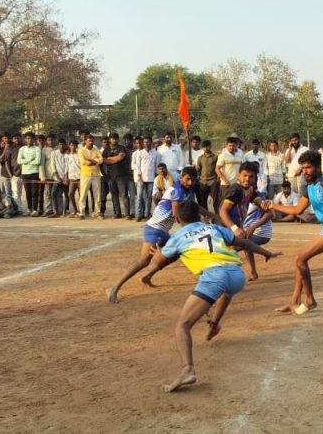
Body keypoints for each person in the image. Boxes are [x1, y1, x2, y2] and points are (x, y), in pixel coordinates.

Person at [137, 200, 281, 392]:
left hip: (214, 276)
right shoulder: (212, 228)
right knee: (226, 291)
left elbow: (159, 262)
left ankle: (187, 369)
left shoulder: (178, 236)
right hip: (237, 274)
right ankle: (214, 324)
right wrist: (267, 253)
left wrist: (156, 256)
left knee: (182, 325)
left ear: (178, 219)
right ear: (199, 216)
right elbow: (244, 242)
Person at [262, 150, 323, 314]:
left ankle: (310, 299)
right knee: (301, 259)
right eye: (303, 167)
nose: (304, 171)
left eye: (308, 167)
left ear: (318, 167)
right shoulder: (309, 188)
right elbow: (297, 209)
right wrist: (272, 205)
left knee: (300, 259)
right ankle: (294, 301)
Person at [108, 167, 212, 303]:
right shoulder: (176, 190)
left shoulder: (189, 191)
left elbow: (194, 207)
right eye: (187, 179)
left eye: (193, 180)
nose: (190, 182)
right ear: (181, 178)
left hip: (163, 231)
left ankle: (147, 277)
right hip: (154, 229)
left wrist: (211, 215)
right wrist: (195, 227)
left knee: (173, 254)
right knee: (144, 261)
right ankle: (114, 288)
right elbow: (177, 214)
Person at [221, 162, 274, 282]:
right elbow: (223, 211)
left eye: (251, 177)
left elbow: (257, 198)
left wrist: (262, 204)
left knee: (244, 245)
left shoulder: (250, 189)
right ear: (239, 175)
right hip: (225, 228)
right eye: (244, 175)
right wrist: (235, 228)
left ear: (255, 178)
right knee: (229, 252)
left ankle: (252, 271)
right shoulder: (235, 190)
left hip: (235, 228)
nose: (247, 179)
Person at [101, 134, 129, 219]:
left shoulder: (121, 148)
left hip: (121, 175)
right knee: (114, 195)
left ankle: (127, 213)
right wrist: (114, 159)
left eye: (116, 139)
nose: (114, 140)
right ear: (110, 139)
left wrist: (109, 159)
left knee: (124, 195)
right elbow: (103, 160)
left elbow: (120, 157)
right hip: (110, 176)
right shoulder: (106, 150)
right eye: (113, 138)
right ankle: (117, 213)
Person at [78, 135, 103, 220]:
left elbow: (101, 160)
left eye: (92, 141)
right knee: (83, 194)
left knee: (97, 195)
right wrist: (95, 161)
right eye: (89, 141)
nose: (91, 142)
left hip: (96, 174)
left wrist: (91, 160)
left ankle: (97, 212)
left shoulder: (96, 150)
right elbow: (83, 161)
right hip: (85, 174)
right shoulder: (81, 150)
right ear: (85, 141)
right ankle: (82, 212)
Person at [17, 133, 43, 216]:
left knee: (34, 192)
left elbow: (37, 161)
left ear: (34, 139)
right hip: (25, 173)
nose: (29, 140)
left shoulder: (37, 149)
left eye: (31, 138)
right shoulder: (22, 149)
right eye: (27, 138)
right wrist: (30, 160)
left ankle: (35, 210)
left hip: (34, 172)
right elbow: (19, 161)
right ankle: (29, 209)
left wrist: (25, 161)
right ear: (25, 139)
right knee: (27, 192)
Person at [216, 137, 244, 208]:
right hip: (226, 185)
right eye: (230, 145)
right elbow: (217, 169)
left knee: (237, 204)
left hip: (237, 184)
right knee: (224, 204)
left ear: (236, 145)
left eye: (233, 145)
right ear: (226, 146)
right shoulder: (223, 156)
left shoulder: (239, 155)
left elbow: (242, 169)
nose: (231, 147)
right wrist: (225, 180)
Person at [64, 140, 81, 218]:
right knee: (70, 194)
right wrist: (66, 177)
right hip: (72, 178)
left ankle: (81, 211)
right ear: (69, 146)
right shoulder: (67, 156)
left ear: (77, 146)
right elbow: (66, 168)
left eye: (74, 145)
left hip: (80, 178)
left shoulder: (79, 155)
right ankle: (75, 210)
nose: (73, 147)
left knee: (82, 196)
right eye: (71, 145)